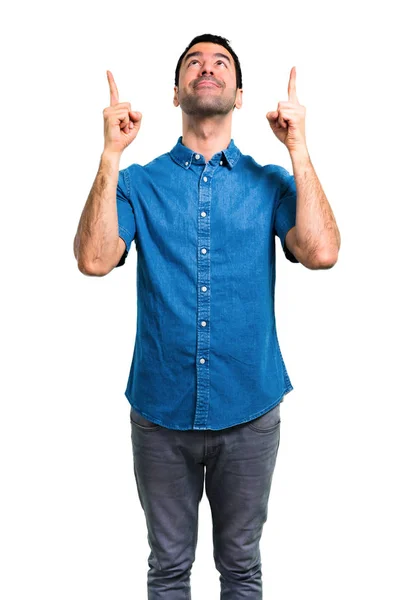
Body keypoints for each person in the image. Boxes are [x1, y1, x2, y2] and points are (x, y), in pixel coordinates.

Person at [73, 32, 340, 599]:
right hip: (160, 412)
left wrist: (299, 150)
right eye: (193, 62)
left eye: (221, 63)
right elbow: (95, 260)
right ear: (176, 92)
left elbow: (321, 252)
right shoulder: (138, 183)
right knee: (168, 569)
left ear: (239, 95)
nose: (207, 68)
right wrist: (109, 156)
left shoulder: (269, 182)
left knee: (241, 568)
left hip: (249, 408)